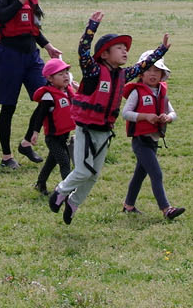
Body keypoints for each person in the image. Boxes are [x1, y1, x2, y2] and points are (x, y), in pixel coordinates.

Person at [47, 14, 170, 224]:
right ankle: (60, 192)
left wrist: (162, 50)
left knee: (93, 175)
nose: (125, 51)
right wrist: (92, 27)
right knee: (83, 170)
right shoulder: (94, 71)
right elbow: (83, 51)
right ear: (104, 54)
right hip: (86, 129)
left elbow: (143, 66)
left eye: (126, 48)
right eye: (119, 47)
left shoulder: (124, 75)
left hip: (104, 132)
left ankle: (73, 202)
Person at [0, 0, 63, 169]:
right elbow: (2, 17)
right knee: (8, 107)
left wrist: (48, 45)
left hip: (31, 54)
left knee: (47, 98)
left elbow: (32, 26)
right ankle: (6, 156)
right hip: (10, 54)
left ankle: (26, 143)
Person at [120, 55, 184, 220]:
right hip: (141, 141)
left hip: (153, 140)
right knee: (156, 174)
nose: (153, 74)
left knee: (139, 175)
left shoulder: (161, 91)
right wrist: (145, 117)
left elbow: (173, 113)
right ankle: (166, 209)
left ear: (163, 74)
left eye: (157, 70)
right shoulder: (137, 92)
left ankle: (128, 206)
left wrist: (167, 118)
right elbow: (125, 113)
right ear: (141, 73)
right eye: (149, 70)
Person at [29, 58, 76, 197]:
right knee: (65, 162)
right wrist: (35, 132)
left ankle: (40, 183)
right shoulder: (49, 96)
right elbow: (40, 115)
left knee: (51, 162)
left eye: (66, 72)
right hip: (53, 138)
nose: (65, 76)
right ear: (50, 78)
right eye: (60, 74)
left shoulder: (68, 92)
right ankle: (67, 191)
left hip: (64, 135)